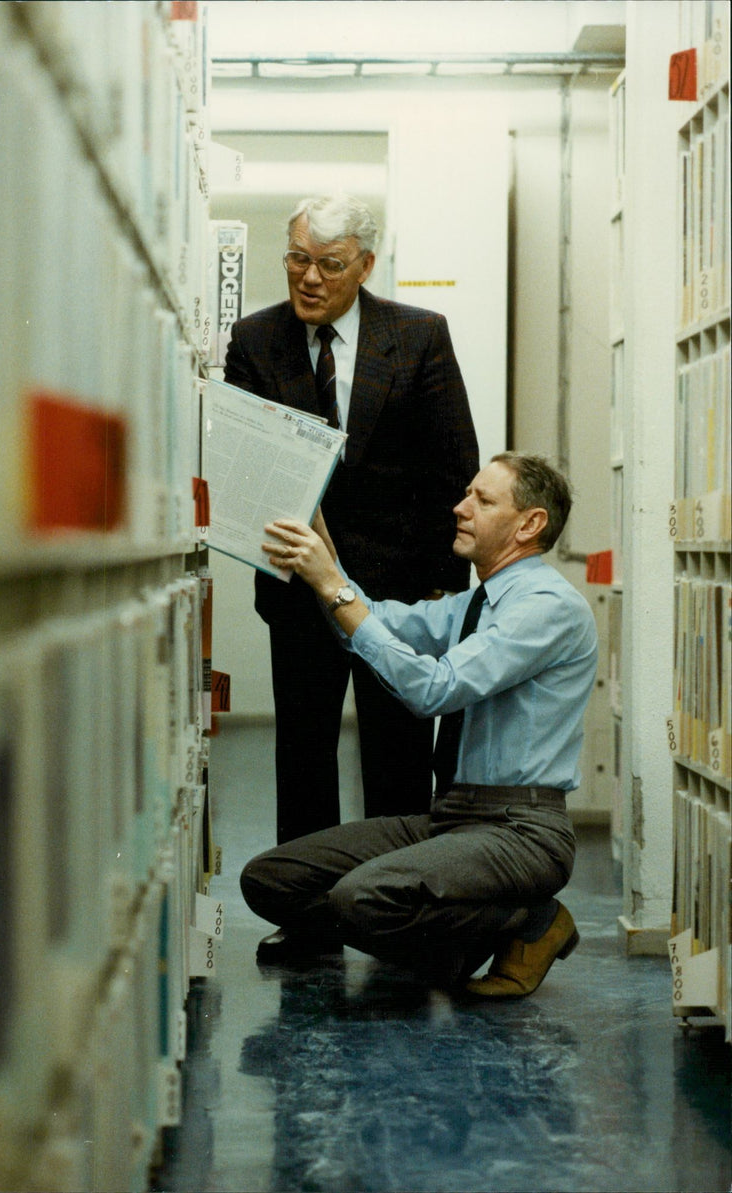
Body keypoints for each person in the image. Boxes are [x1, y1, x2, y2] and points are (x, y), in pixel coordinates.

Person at [240, 452, 599, 999]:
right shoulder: (474, 603)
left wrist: (335, 586)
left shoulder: (547, 607)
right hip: (452, 814)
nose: (460, 508)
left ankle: (528, 924)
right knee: (271, 879)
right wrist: (329, 571)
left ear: (529, 524)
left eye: (482, 499)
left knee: (359, 898)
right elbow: (377, 621)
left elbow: (432, 690)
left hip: (520, 828)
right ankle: (455, 942)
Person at [224, 194, 478, 856]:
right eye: (298, 259)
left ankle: (394, 899)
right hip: (296, 588)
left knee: (397, 753)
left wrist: (442, 587)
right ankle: (306, 912)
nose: (310, 278)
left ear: (366, 264)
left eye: (329, 265)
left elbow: (454, 467)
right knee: (302, 751)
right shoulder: (255, 339)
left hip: (401, 594)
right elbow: (240, 458)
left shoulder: (420, 335)